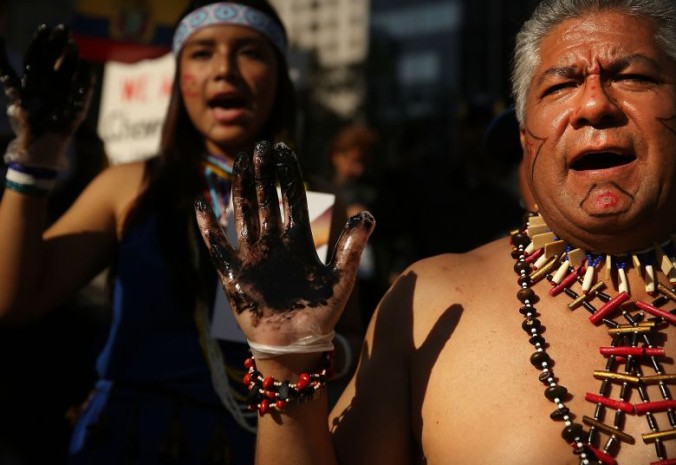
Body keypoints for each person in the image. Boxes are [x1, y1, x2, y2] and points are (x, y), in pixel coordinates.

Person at [194, 0, 676, 464]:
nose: (594, 104)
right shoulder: (426, 299)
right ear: (527, 141)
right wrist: (285, 361)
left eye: (632, 76)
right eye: (559, 86)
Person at [0, 1, 360, 464]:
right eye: (202, 53)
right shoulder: (128, 185)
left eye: (250, 51)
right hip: (127, 440)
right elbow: (14, 298)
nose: (225, 69)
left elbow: (351, 346)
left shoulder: (309, 205)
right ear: (178, 78)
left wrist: (307, 352)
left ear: (280, 77)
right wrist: (34, 162)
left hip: (258, 440)